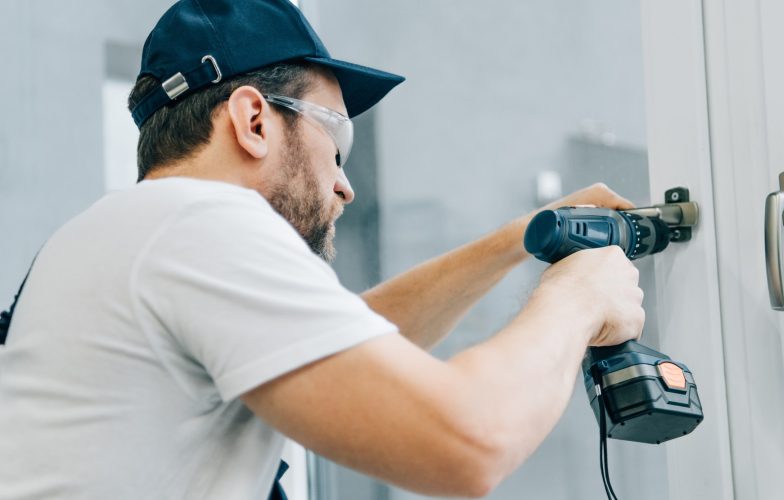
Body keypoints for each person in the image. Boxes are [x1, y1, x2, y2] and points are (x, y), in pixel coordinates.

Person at [0, 0, 644, 498]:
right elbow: (470, 439)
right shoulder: (198, 226)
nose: (345, 183)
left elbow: (358, 339)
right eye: (337, 142)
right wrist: (580, 295)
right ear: (253, 122)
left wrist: (520, 238)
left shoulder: (129, 235)